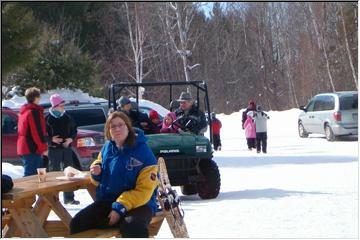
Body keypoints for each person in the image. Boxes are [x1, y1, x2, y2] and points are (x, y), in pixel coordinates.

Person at [70, 112, 158, 238]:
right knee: (78, 223)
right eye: (113, 126)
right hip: (109, 201)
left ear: (128, 127)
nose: (117, 129)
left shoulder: (143, 152)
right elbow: (99, 167)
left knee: (132, 226)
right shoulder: (107, 148)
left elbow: (145, 190)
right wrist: (97, 172)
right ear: (108, 131)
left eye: (120, 125)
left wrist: (119, 208)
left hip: (140, 204)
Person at [45, 94, 80, 205]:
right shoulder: (47, 118)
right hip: (54, 149)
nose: (63, 107)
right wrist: (51, 140)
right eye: (61, 105)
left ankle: (69, 198)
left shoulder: (67, 116)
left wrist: (70, 139)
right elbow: (42, 135)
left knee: (69, 172)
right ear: (55, 106)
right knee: (54, 173)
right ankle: (53, 198)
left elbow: (74, 130)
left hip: (67, 148)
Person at [17, 87, 48, 176]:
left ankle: (39, 190)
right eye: (39, 96)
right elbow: (37, 132)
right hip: (32, 148)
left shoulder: (24, 111)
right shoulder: (33, 112)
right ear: (36, 98)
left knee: (36, 174)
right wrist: (43, 148)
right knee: (33, 176)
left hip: (25, 147)